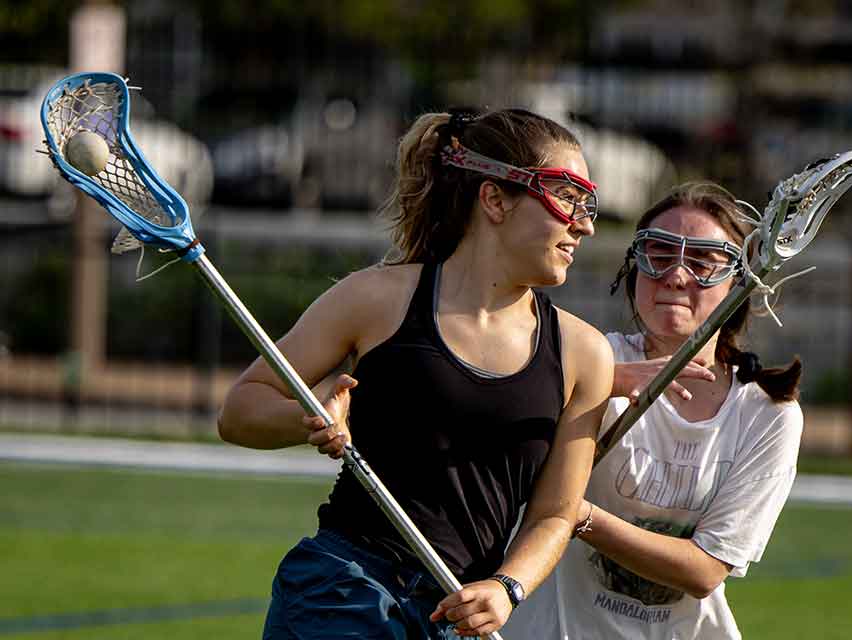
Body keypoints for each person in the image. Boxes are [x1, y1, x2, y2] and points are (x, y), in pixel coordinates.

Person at [217, 107, 614, 639]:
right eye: (565, 197)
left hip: (458, 616)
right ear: (495, 199)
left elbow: (555, 514)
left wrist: (507, 587)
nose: (584, 223)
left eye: (587, 203)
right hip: (344, 590)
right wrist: (305, 420)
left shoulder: (584, 354)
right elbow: (240, 410)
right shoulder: (375, 298)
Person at [504, 181, 804, 639]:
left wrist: (574, 513)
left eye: (704, 262)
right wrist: (606, 382)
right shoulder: (588, 357)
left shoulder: (768, 415)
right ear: (634, 268)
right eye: (659, 256)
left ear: (739, 282)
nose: (678, 276)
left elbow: (703, 571)